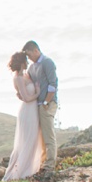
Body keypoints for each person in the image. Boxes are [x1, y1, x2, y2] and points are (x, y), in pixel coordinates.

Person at [2, 51, 44, 181]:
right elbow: (26, 98)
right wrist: (37, 93)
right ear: (21, 63)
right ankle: (20, 171)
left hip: (32, 110)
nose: (27, 62)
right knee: (27, 140)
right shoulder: (18, 78)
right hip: (28, 111)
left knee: (32, 139)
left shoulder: (25, 75)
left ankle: (29, 167)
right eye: (25, 60)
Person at [23, 40, 58, 173]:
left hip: (46, 104)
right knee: (41, 136)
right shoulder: (32, 68)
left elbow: (53, 84)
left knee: (48, 135)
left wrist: (46, 102)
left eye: (30, 54)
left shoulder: (47, 62)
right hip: (36, 105)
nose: (29, 58)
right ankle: (43, 162)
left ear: (36, 50)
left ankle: (50, 164)